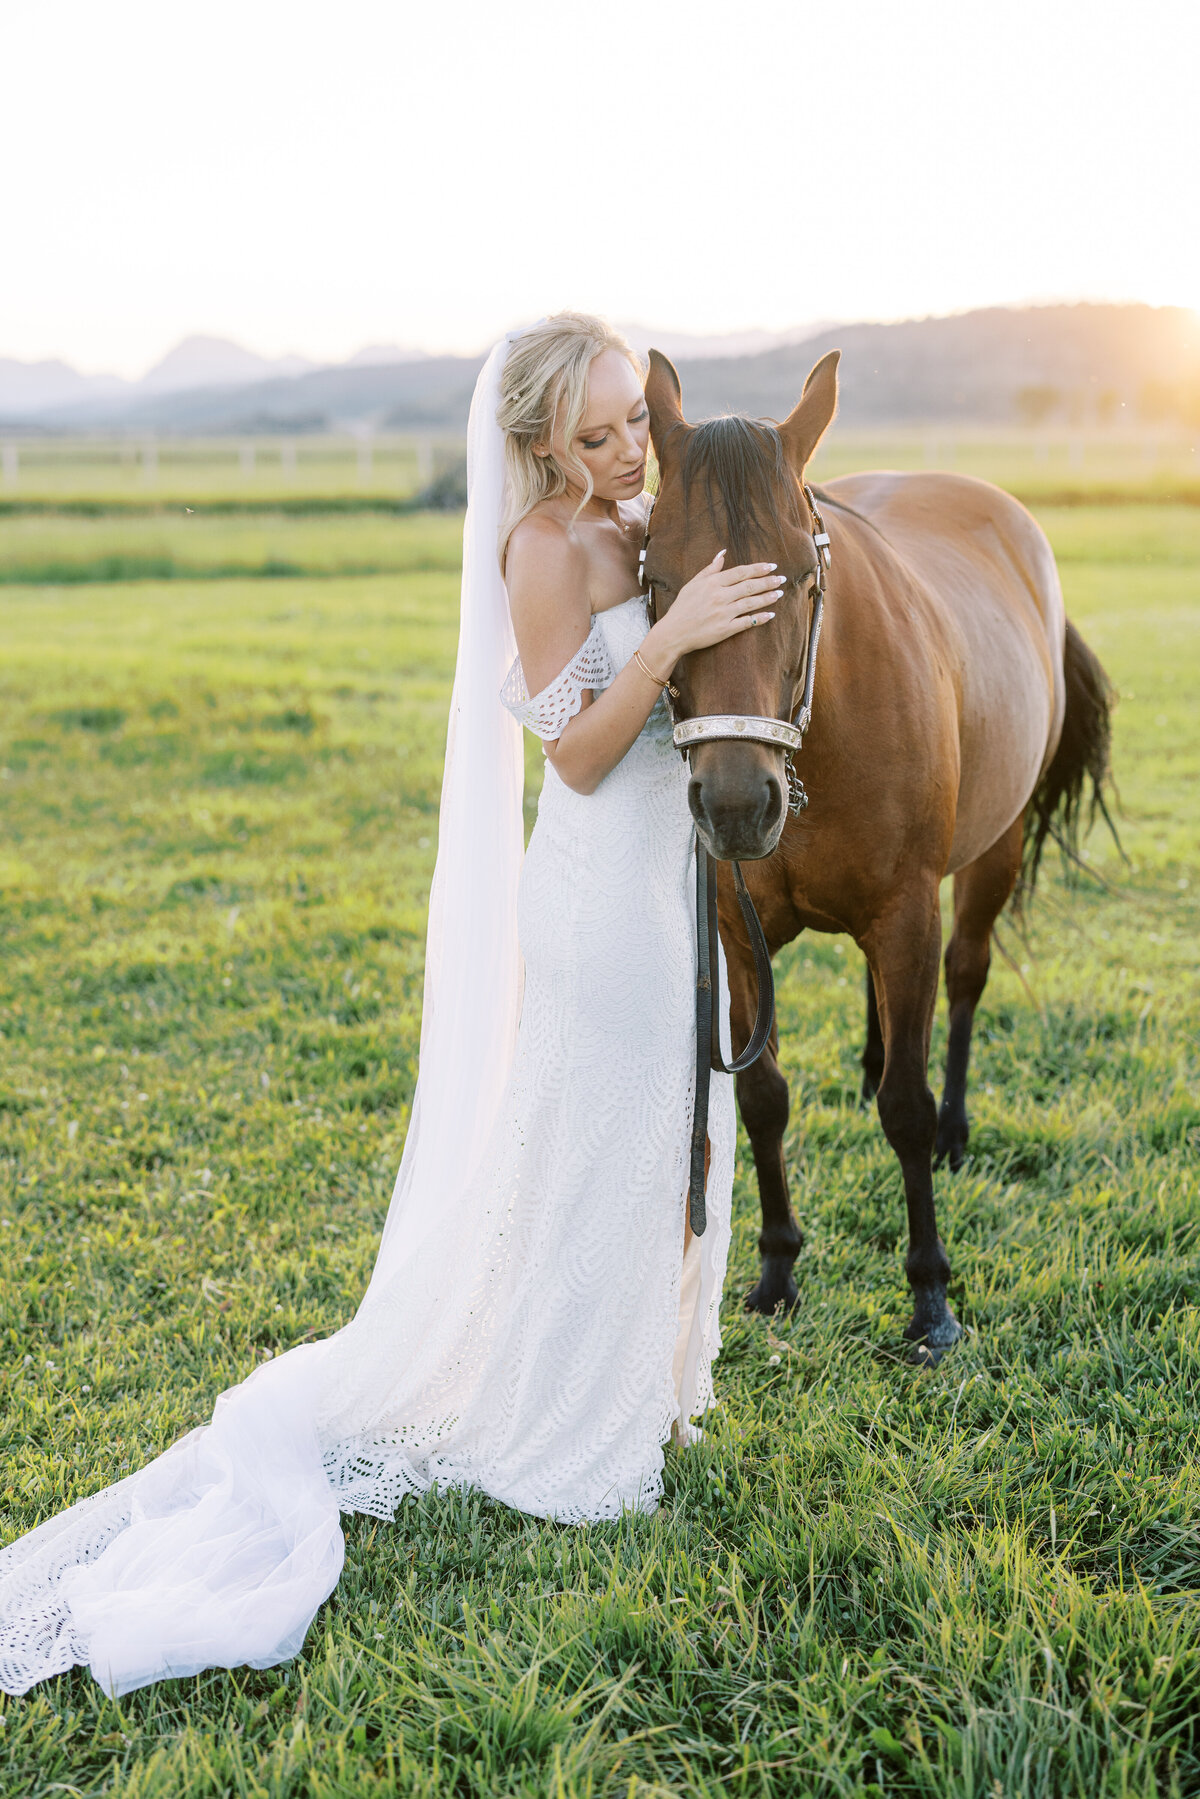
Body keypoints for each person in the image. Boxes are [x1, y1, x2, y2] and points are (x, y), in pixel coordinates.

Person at [0, 312, 787, 1699]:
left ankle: (654, 1388)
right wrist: (666, 644)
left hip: (667, 892)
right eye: (593, 434)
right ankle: (567, 1436)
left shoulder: (652, 519)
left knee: (675, 1130)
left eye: (631, 424)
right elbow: (589, 759)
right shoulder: (543, 552)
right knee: (597, 1152)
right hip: (596, 895)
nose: (622, 452)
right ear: (540, 440)